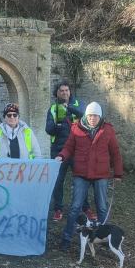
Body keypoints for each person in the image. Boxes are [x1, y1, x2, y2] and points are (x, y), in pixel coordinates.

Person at [56, 102, 123, 252]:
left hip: (101, 174)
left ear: (100, 117)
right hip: (81, 173)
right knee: (75, 207)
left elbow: (115, 152)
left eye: (96, 116)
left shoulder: (108, 130)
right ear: (86, 116)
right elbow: (68, 147)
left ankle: (104, 238)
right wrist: (61, 156)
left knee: (102, 207)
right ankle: (67, 238)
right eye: (90, 115)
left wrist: (118, 173)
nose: (93, 118)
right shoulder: (76, 129)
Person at [45, 80, 91, 221]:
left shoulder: (78, 104)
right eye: (61, 91)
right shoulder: (53, 109)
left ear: (70, 91)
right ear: (57, 93)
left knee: (82, 179)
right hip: (59, 149)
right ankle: (58, 209)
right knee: (58, 181)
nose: (64, 93)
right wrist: (59, 124)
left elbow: (85, 117)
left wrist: (69, 109)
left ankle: (85, 207)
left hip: (78, 149)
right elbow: (49, 129)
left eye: (66, 90)